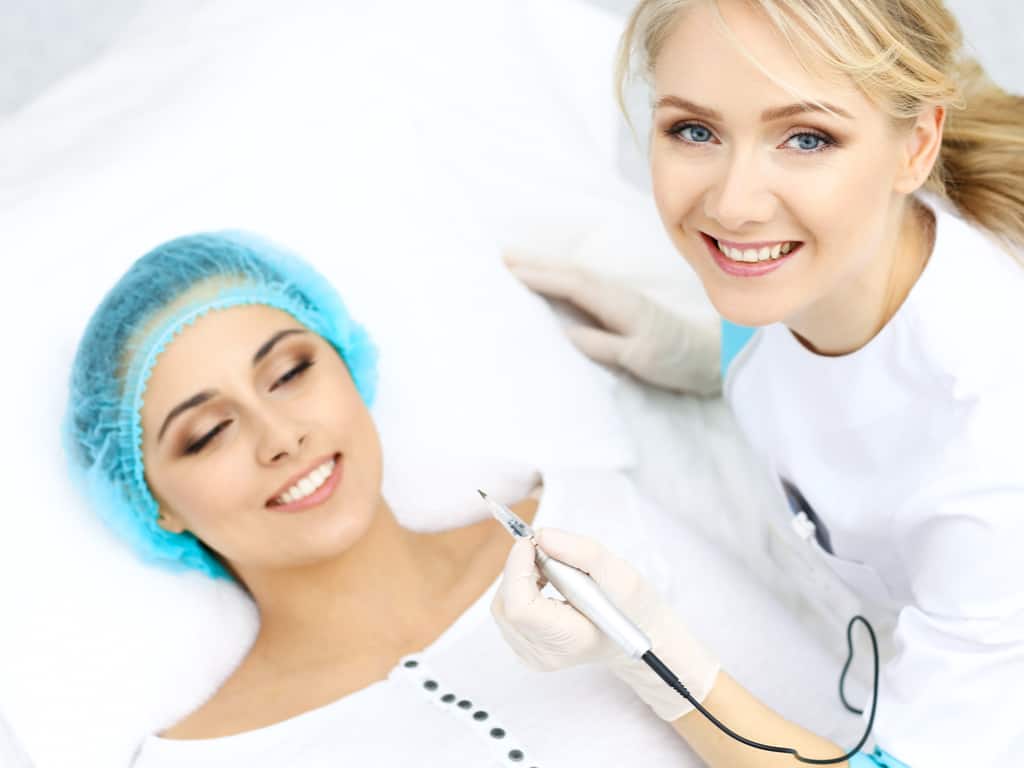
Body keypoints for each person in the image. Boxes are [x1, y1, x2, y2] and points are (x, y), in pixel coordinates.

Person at [64, 231, 840, 766]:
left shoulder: (601, 519)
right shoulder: (206, 757)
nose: (279, 437)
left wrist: (747, 365)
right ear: (150, 499)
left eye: (290, 372)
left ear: (348, 362)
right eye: (206, 434)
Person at [492, 1, 1024, 767]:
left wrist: (648, 651)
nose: (734, 205)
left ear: (916, 145)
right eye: (694, 131)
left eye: (806, 138)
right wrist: (707, 355)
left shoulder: (992, 451)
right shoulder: (805, 268)